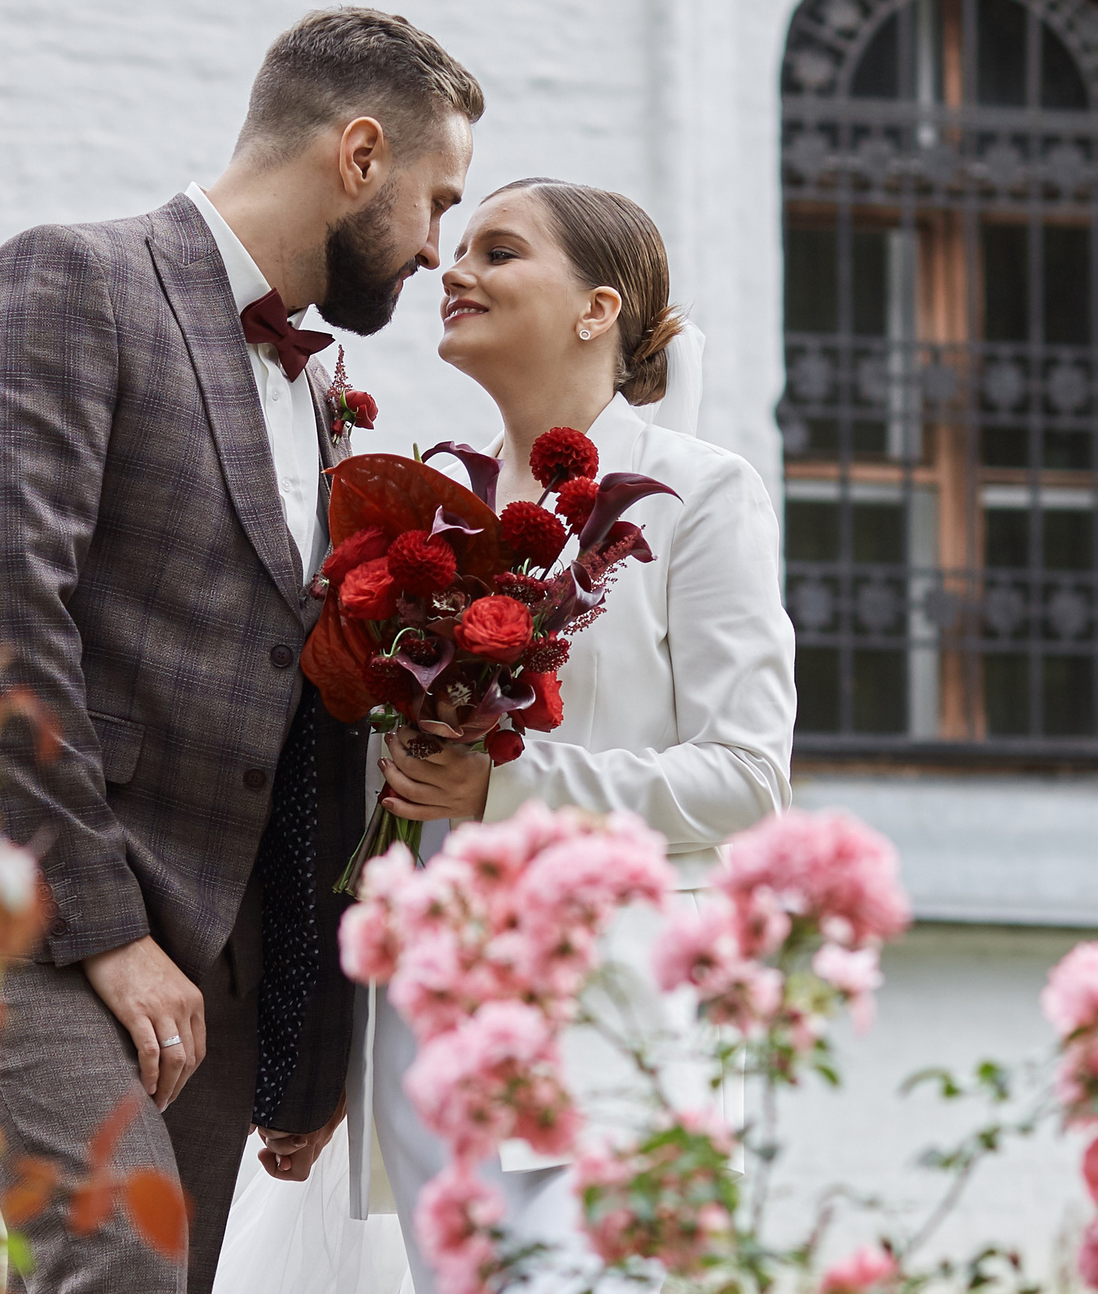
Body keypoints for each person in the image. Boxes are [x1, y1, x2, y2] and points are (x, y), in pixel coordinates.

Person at [0, 8, 482, 1294]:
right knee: (121, 1266)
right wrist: (104, 932)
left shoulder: (317, 391)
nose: (437, 248)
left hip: (208, 937)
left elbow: (304, 715)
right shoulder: (70, 279)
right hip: (21, 881)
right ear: (361, 154)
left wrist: (307, 1038)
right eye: (438, 200)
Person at [218, 178, 797, 1294]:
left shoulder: (699, 495)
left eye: (499, 250)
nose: (455, 269)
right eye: (462, 248)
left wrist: (504, 788)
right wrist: (324, 1052)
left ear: (597, 309)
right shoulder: (427, 516)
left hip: (605, 1031)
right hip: (422, 1037)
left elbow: (745, 776)